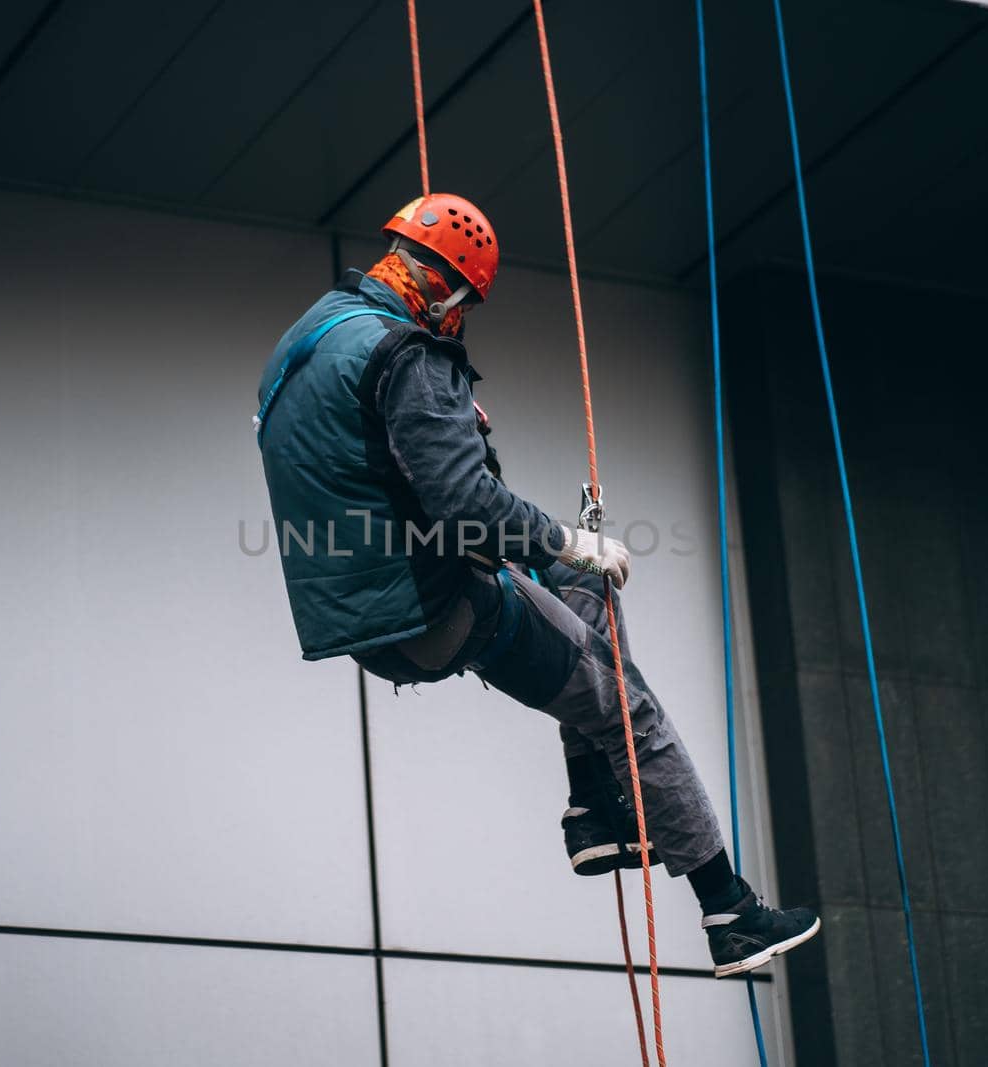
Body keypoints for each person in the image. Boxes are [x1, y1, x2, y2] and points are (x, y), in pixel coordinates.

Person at [254, 193, 819, 977]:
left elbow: (383, 475)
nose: (461, 319)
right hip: (436, 609)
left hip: (366, 612)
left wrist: (560, 558)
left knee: (584, 597)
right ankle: (731, 913)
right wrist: (570, 540)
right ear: (450, 288)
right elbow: (466, 503)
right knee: (629, 702)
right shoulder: (410, 354)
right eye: (465, 304)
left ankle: (594, 809)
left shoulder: (309, 339)